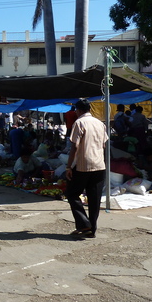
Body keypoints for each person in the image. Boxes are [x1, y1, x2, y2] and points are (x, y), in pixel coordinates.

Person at [65, 98, 108, 240]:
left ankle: (84, 224)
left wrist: (69, 166)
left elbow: (74, 146)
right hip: (99, 164)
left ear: (78, 110)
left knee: (72, 194)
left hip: (83, 165)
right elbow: (104, 145)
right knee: (94, 198)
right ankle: (91, 229)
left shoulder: (79, 122)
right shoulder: (100, 124)